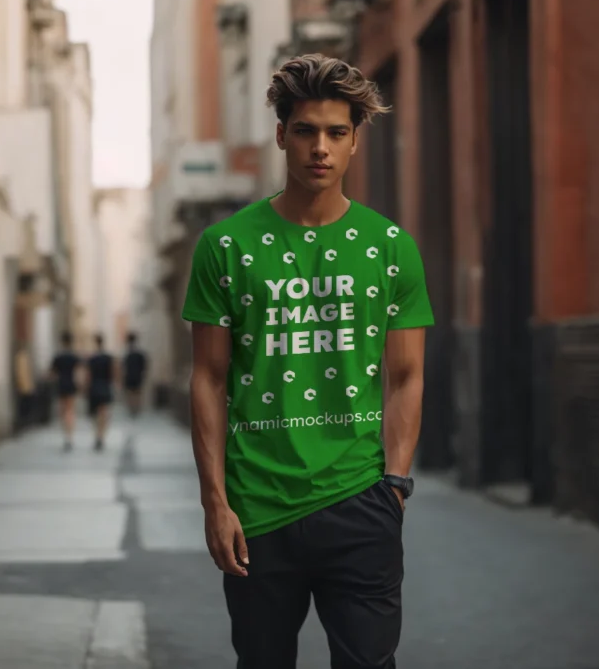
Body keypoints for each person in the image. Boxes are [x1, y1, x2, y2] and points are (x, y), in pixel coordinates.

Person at [181, 53, 434, 669]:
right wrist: (216, 503)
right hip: (256, 509)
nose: (320, 147)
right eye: (305, 131)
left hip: (361, 500)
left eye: (336, 133)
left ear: (354, 142)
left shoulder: (390, 247)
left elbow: (406, 376)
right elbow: (209, 379)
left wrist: (394, 486)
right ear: (281, 135)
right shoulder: (226, 246)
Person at [49, 332, 80, 451]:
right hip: (71, 385)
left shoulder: (58, 357)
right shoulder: (73, 356)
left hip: (61, 385)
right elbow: (79, 372)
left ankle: (66, 436)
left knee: (63, 411)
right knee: (70, 410)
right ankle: (70, 435)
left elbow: (52, 373)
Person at [86, 333, 116, 451]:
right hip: (105, 386)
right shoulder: (108, 358)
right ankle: (101, 435)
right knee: (104, 413)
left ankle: (97, 435)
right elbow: (114, 373)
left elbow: (88, 375)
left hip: (94, 387)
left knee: (95, 414)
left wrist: (86, 388)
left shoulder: (92, 359)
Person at [122, 332, 148, 417]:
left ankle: (132, 408)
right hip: (138, 375)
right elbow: (144, 365)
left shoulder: (127, 353)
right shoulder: (139, 353)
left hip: (129, 375)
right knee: (137, 393)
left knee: (130, 393)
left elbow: (124, 366)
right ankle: (136, 408)